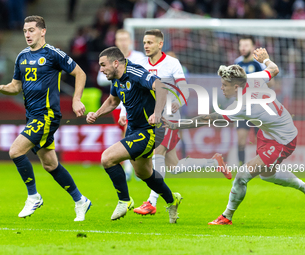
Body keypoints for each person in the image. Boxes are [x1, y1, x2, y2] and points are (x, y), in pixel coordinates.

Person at [163, 48, 305, 225]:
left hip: (284, 140)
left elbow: (207, 119)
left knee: (242, 175)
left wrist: (178, 125)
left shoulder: (242, 106)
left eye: (224, 85)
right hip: (269, 133)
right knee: (267, 175)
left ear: (236, 86)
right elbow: (274, 69)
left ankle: (226, 216)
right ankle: (302, 186)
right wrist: (266, 59)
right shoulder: (253, 78)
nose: (221, 88)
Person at [0, 15, 91, 221]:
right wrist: (1, 89)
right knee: (50, 164)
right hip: (32, 117)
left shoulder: (53, 54)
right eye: (25, 30)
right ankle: (80, 200)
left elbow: (80, 73)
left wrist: (76, 100)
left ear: (43, 31)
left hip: (47, 116)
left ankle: (33, 196)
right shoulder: (22, 57)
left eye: (32, 30)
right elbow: (15, 86)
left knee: (15, 151)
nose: (27, 34)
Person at [130, 29, 231, 216]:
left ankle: (151, 202)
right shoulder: (140, 63)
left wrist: (179, 101)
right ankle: (213, 162)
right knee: (174, 167)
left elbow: (185, 89)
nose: (146, 46)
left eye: (150, 42)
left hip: (169, 118)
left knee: (157, 153)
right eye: (144, 42)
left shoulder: (172, 63)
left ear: (160, 44)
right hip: (150, 117)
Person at [87, 46, 182, 223]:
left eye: (103, 65)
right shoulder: (116, 78)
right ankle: (172, 199)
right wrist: (97, 113)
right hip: (134, 129)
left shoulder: (134, 72)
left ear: (116, 63)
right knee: (143, 173)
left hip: (149, 130)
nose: (101, 69)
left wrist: (158, 112)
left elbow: (161, 86)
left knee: (107, 158)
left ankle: (124, 200)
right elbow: (113, 101)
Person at [97, 29, 145, 181]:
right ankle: (134, 168)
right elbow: (100, 78)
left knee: (130, 134)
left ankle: (131, 170)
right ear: (116, 42)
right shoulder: (111, 59)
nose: (123, 42)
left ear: (130, 41)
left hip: (135, 103)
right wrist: (117, 74)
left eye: (125, 39)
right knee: (126, 136)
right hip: (118, 104)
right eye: (120, 39)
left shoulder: (139, 57)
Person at [234, 35, 265, 166]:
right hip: (243, 108)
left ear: (253, 47)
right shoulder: (237, 63)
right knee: (241, 141)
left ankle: (260, 166)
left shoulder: (259, 64)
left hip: (258, 108)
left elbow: (272, 82)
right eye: (241, 45)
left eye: (246, 45)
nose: (243, 48)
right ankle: (241, 167)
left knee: (261, 141)